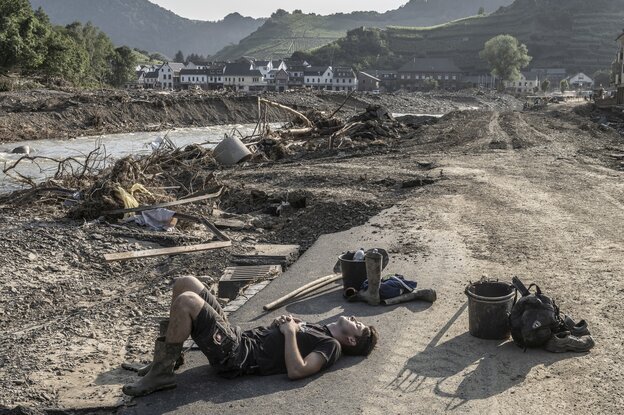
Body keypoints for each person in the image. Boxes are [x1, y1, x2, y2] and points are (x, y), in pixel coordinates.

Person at [122, 276, 378, 397]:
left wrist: (289, 333)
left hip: (237, 356)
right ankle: (168, 360)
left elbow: (298, 371)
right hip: (238, 337)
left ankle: (161, 375)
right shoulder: (321, 331)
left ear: (352, 340)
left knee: (187, 301)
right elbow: (288, 341)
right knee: (185, 283)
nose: (355, 319)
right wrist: (283, 324)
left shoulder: (332, 345)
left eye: (358, 325)